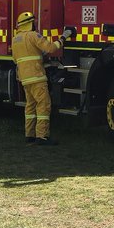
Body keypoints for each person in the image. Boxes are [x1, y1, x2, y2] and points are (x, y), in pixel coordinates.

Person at [12, 11, 75, 146]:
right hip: (37, 77)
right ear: (30, 24)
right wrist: (63, 37)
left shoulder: (15, 39)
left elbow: (16, 59)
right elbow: (51, 48)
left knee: (30, 106)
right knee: (43, 105)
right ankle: (42, 136)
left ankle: (29, 135)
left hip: (25, 79)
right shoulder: (33, 36)